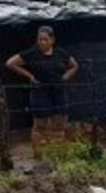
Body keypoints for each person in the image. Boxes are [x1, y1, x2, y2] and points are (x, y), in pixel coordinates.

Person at [6, 26, 79, 160]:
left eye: (45, 39)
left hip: (58, 91)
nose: (42, 42)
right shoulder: (31, 53)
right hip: (40, 91)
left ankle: (59, 156)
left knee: (59, 125)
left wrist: (65, 77)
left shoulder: (61, 53)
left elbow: (74, 65)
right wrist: (30, 76)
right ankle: (38, 156)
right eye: (40, 39)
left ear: (52, 40)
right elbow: (10, 63)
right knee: (40, 125)